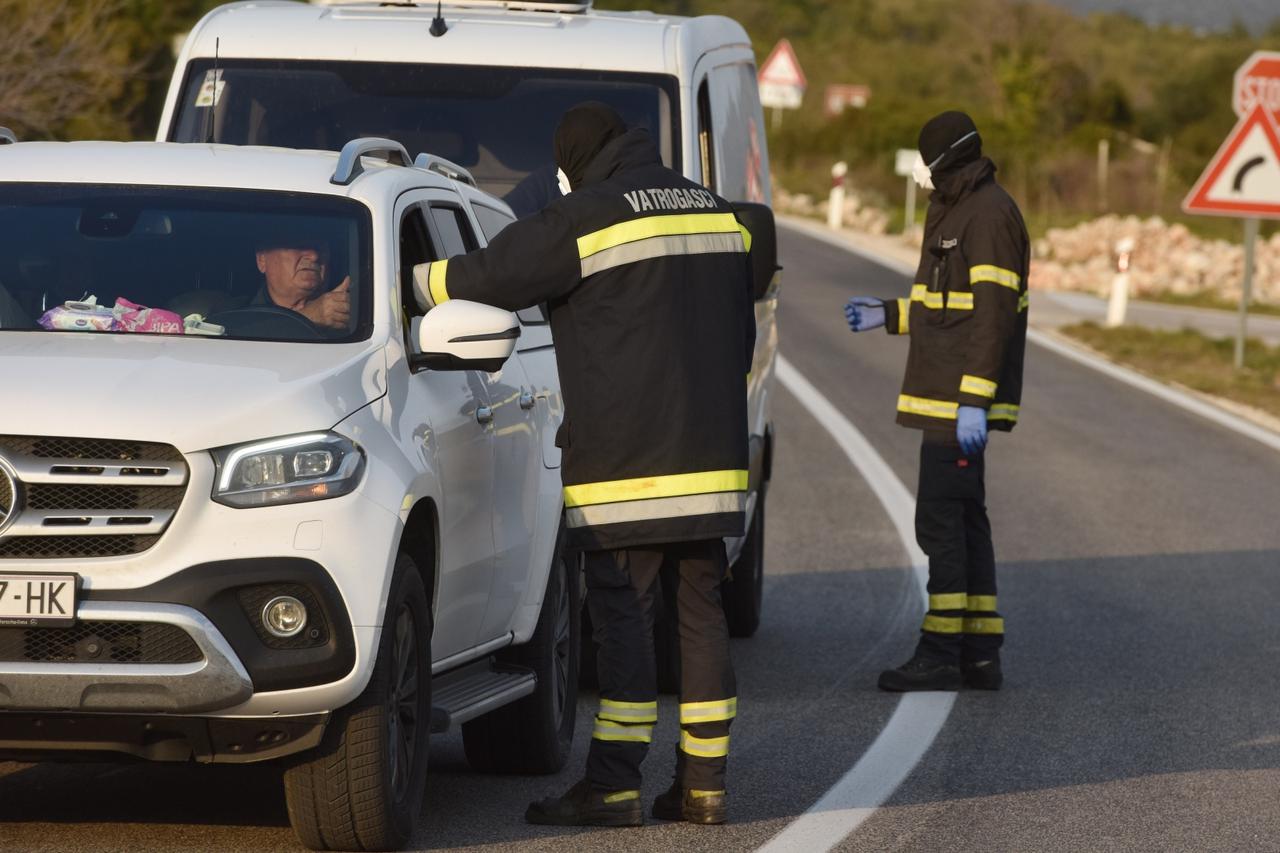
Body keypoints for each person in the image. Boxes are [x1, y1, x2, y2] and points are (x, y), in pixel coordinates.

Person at [413, 102, 755, 827]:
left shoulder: (587, 216)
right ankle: (705, 785)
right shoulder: (716, 212)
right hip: (712, 463)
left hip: (628, 467)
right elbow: (741, 334)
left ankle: (613, 786)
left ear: (572, 162)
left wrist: (414, 282)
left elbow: (493, 273)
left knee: (624, 619)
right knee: (700, 616)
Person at [845, 110, 1029, 693]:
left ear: (944, 160)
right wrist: (888, 314)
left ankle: (942, 651)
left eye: (927, 163)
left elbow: (994, 315)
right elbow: (946, 305)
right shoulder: (956, 208)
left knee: (941, 523)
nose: (923, 174)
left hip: (958, 400)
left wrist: (975, 398)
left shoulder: (988, 214)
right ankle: (979, 652)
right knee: (964, 521)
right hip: (948, 393)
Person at [254, 238, 350, 331]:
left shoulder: (351, 317)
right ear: (262, 259)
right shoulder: (245, 316)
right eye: (299, 246)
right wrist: (308, 318)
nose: (314, 256)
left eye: (320, 247)